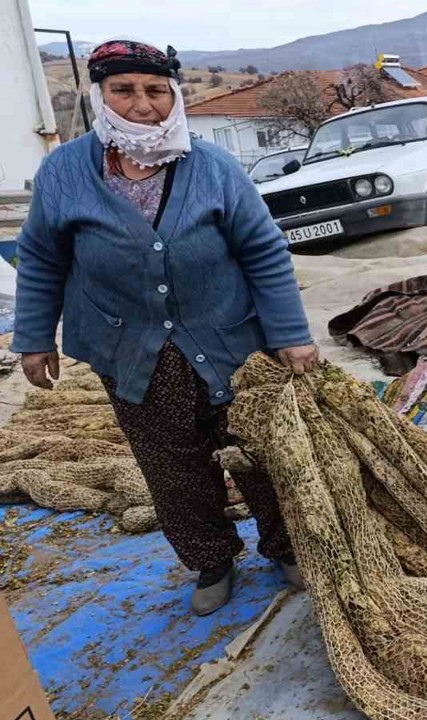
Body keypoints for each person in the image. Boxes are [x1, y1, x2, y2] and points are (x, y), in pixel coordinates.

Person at [12, 39, 318, 616]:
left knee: (260, 450)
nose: (142, 104)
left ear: (174, 94)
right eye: (123, 90)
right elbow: (43, 258)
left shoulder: (215, 167)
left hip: (230, 339)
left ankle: (286, 548)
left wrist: (290, 333)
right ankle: (211, 561)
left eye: (156, 90)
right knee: (171, 462)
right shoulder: (63, 172)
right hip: (127, 346)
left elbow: (264, 252)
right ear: (99, 96)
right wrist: (32, 338)